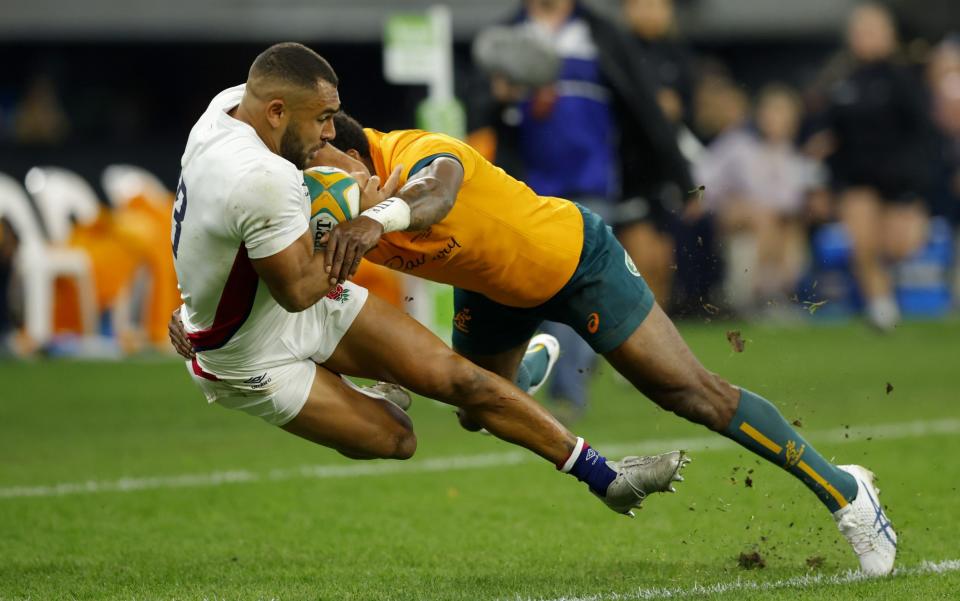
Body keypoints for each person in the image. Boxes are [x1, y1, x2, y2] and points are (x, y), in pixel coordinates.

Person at [286, 113, 897, 575]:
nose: (314, 175)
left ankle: (847, 492)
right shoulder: (329, 204)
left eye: (319, 158)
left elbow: (438, 193)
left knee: (689, 393)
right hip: (492, 291)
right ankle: (521, 371)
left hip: (576, 260)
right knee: (478, 412)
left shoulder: (419, 152)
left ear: (354, 148)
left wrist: (376, 219)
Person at [171, 42, 686, 519]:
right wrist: (358, 219)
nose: (331, 133)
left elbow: (208, 227)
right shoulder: (264, 178)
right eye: (323, 119)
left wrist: (356, 197)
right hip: (246, 352)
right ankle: (369, 390)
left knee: (461, 380)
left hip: (291, 294)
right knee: (397, 438)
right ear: (277, 112)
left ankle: (607, 478)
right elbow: (298, 288)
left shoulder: (228, 109)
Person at [468, 0, 698, 417]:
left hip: (593, 184)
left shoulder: (602, 33)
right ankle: (546, 378)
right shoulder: (507, 35)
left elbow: (643, 104)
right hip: (525, 189)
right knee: (536, 289)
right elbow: (479, 111)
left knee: (567, 284)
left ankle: (565, 392)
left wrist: (681, 177)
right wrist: (502, 99)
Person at [807, 3, 937, 331]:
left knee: (896, 247)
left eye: (872, 31)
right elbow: (824, 131)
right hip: (856, 178)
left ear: (889, 35)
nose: (865, 38)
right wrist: (821, 171)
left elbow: (923, 133)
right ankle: (881, 309)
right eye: (860, 31)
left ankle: (888, 291)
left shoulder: (905, 78)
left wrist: (918, 186)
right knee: (862, 244)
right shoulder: (839, 80)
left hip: (899, 180)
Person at [696, 84, 822, 315]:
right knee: (763, 217)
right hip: (736, 226)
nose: (776, 119)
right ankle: (758, 296)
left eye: (783, 113)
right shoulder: (737, 146)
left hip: (779, 229)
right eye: (771, 111)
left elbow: (796, 202)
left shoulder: (794, 158)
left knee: (786, 224)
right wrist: (729, 204)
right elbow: (702, 183)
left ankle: (776, 295)